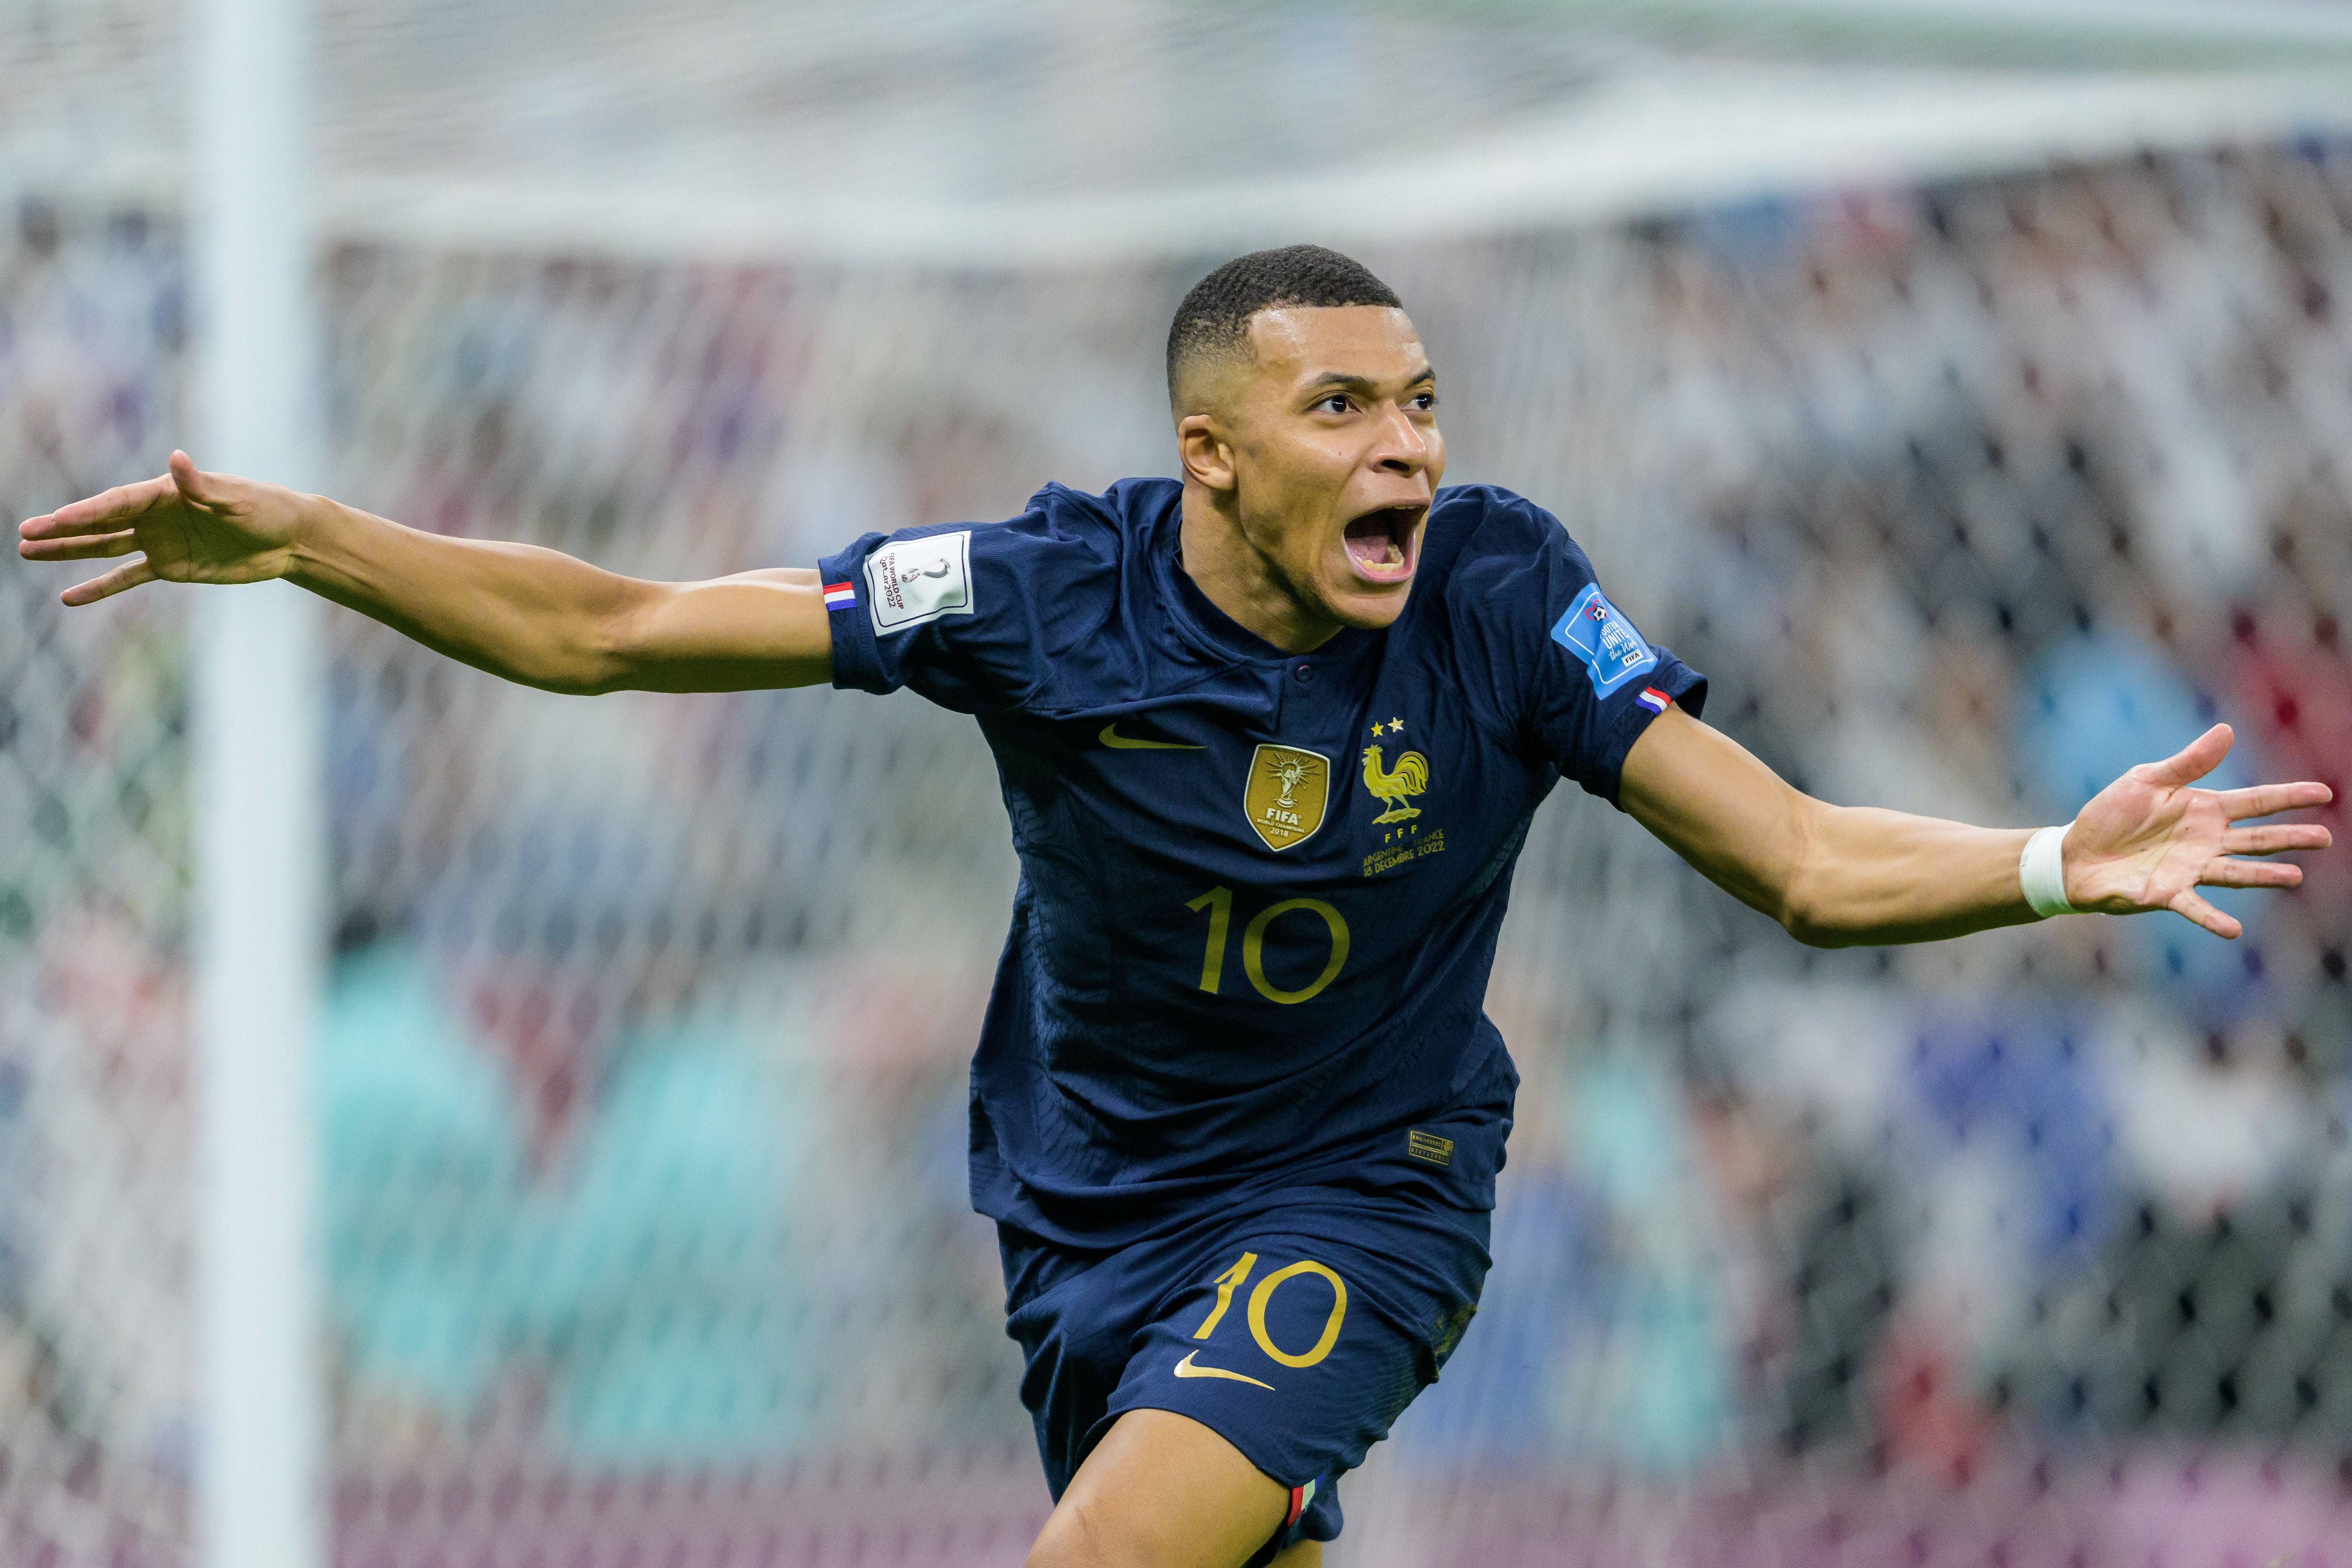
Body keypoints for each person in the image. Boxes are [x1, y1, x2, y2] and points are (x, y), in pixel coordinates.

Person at [17, 245, 2331, 1568]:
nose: (1407, 448)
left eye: (1420, 402)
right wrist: (314, 540)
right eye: (1344, 409)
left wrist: (2052, 863)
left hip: (1366, 1195)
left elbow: (1806, 862)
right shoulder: (1036, 592)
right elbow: (613, 629)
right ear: (1211, 454)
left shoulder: (1506, 594)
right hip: (1090, 1223)